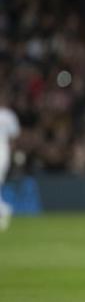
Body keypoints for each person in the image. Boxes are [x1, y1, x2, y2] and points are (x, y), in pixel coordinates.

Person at [0, 93, 20, 232]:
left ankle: (4, 209)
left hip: (2, 149)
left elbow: (14, 137)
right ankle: (4, 209)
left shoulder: (9, 115)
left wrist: (12, 154)